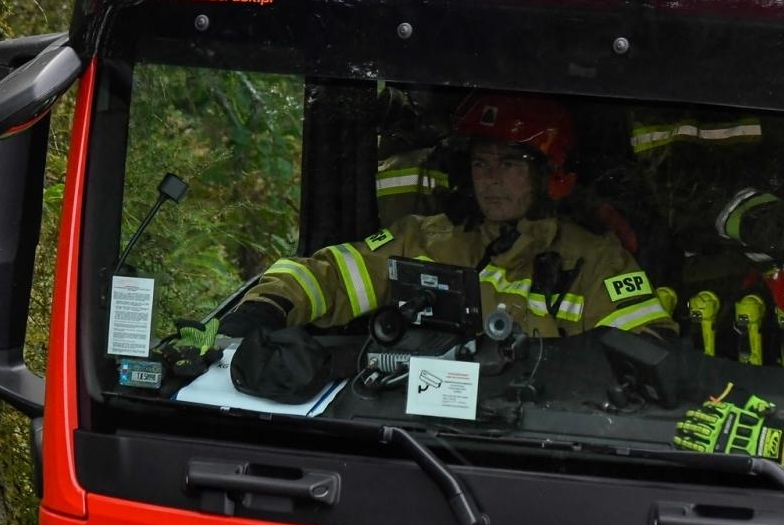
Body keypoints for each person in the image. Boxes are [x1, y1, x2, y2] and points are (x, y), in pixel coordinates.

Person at [222, 93, 677, 340]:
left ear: (550, 174)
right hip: (419, 439)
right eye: (481, 163)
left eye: (510, 164)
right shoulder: (423, 239)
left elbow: (649, 350)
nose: (491, 179)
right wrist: (271, 305)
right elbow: (332, 275)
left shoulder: (597, 261)